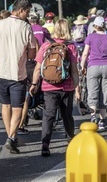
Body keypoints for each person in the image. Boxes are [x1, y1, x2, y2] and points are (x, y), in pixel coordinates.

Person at [0, 0, 37, 154]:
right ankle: (11, 137)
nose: (28, 15)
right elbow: (31, 53)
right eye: (28, 12)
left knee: (5, 105)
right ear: (21, 10)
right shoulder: (25, 27)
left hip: (0, 72)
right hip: (17, 73)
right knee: (18, 107)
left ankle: (11, 136)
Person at [30, 19, 80, 156]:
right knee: (67, 115)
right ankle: (71, 140)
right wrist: (77, 88)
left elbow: (37, 68)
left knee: (48, 115)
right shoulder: (71, 47)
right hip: (67, 87)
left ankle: (45, 144)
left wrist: (34, 84)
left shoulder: (46, 45)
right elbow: (74, 71)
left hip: (48, 86)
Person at [80, 16, 107, 131]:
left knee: (92, 92)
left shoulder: (90, 37)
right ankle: (102, 121)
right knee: (104, 93)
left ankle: (93, 116)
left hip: (93, 66)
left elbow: (85, 54)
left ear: (95, 26)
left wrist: (82, 66)